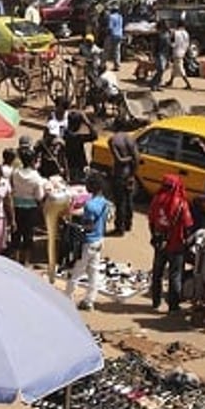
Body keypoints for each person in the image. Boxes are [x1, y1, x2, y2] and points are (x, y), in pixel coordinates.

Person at [148, 174, 194, 313]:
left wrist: (155, 237)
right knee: (175, 275)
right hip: (176, 245)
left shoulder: (156, 200)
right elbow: (187, 225)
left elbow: (151, 221)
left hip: (160, 244)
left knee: (157, 273)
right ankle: (173, 306)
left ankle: (155, 302)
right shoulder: (181, 204)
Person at [64, 173, 108, 311]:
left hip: (88, 242)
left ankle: (67, 298)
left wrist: (74, 226)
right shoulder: (105, 203)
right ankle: (89, 301)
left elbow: (89, 226)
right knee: (93, 272)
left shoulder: (89, 205)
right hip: (99, 240)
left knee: (77, 271)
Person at [9, 143, 48, 265]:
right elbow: (39, 196)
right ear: (33, 161)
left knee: (16, 234)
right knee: (28, 234)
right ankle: (25, 262)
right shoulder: (36, 177)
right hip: (30, 209)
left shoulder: (15, 173)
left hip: (16, 207)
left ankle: (15, 259)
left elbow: (12, 187)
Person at [107, 127, 140, 235]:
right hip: (129, 174)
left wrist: (127, 159)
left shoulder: (113, 140)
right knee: (129, 200)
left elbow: (119, 160)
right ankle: (128, 224)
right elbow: (137, 158)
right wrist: (132, 175)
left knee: (120, 202)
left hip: (119, 175)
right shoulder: (130, 139)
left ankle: (119, 228)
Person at [168, 20, 192, 90]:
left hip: (176, 52)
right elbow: (187, 43)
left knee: (180, 68)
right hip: (183, 51)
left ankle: (188, 84)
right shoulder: (186, 33)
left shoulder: (176, 33)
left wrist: (170, 45)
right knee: (175, 67)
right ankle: (170, 81)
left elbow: (173, 43)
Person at [150, 20, 171, 91]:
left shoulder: (168, 34)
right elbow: (154, 46)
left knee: (162, 70)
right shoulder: (158, 34)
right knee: (161, 69)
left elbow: (169, 45)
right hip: (159, 54)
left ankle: (156, 85)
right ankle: (153, 83)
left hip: (166, 54)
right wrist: (153, 55)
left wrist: (169, 57)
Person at [105, 4, 124, 71]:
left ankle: (103, 64)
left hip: (112, 35)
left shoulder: (111, 17)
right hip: (120, 35)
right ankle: (117, 65)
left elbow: (110, 27)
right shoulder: (120, 17)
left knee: (107, 49)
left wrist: (106, 34)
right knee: (117, 50)